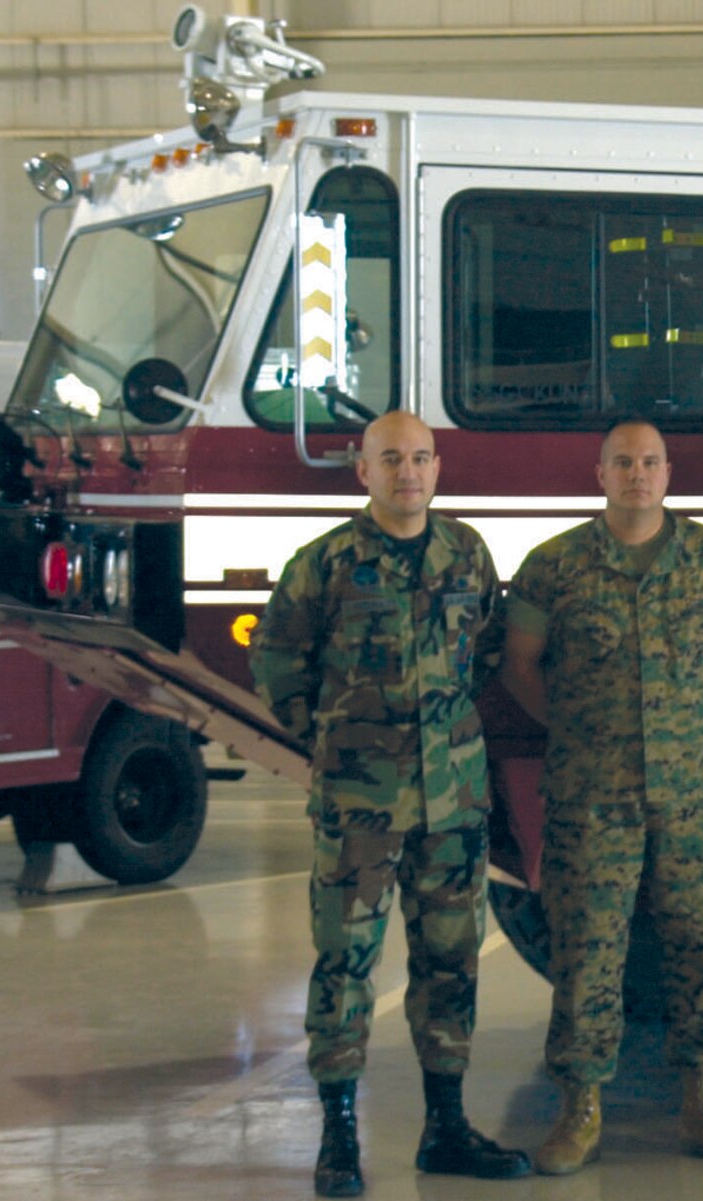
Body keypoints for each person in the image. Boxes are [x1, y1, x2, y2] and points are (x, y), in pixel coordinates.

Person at [251, 411, 531, 1198]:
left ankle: (446, 1123)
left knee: (451, 962)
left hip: (453, 804)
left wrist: (442, 734)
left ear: (437, 468)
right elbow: (276, 660)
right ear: (362, 472)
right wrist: (334, 742)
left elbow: (488, 650)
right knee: (346, 963)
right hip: (359, 808)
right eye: (390, 460)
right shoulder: (326, 563)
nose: (407, 472)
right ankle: (339, 1132)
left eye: (419, 458)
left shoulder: (466, 554)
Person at [501, 419, 703, 1174]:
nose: (637, 474)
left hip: (696, 791)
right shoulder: (554, 566)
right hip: (592, 794)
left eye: (650, 461)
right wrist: (581, 728)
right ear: (601, 472)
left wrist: (695, 725)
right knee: (587, 949)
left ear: (668, 471)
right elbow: (522, 664)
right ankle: (580, 1110)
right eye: (624, 462)